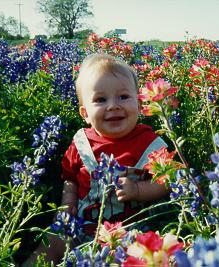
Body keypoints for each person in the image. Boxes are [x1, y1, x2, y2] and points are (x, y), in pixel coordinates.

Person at [25, 54, 169, 265]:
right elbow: (70, 179)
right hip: (82, 226)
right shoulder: (81, 144)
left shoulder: (151, 143)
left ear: (139, 104)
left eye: (123, 97)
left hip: (130, 232)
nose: (113, 106)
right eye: (101, 100)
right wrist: (67, 203)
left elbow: (168, 181)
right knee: (53, 240)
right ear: (85, 113)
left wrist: (140, 190)